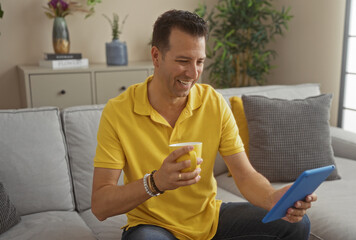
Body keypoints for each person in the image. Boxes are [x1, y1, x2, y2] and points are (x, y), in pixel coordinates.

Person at [91, 9, 316, 240]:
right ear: (156, 56)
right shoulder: (118, 111)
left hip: (210, 220)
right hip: (152, 227)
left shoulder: (214, 103)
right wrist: (155, 182)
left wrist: (273, 198)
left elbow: (245, 175)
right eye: (183, 61)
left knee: (295, 225)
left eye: (200, 61)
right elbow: (100, 205)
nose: (193, 72)